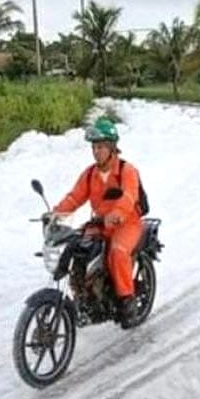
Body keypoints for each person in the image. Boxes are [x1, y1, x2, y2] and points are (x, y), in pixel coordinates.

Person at [53, 117, 143, 325]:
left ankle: (127, 301)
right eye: (94, 147)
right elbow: (75, 197)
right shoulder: (90, 174)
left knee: (117, 253)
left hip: (126, 223)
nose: (96, 151)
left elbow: (129, 197)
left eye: (101, 146)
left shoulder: (127, 171)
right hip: (101, 224)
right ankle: (84, 297)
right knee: (77, 249)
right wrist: (56, 214)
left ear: (112, 147)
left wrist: (118, 213)